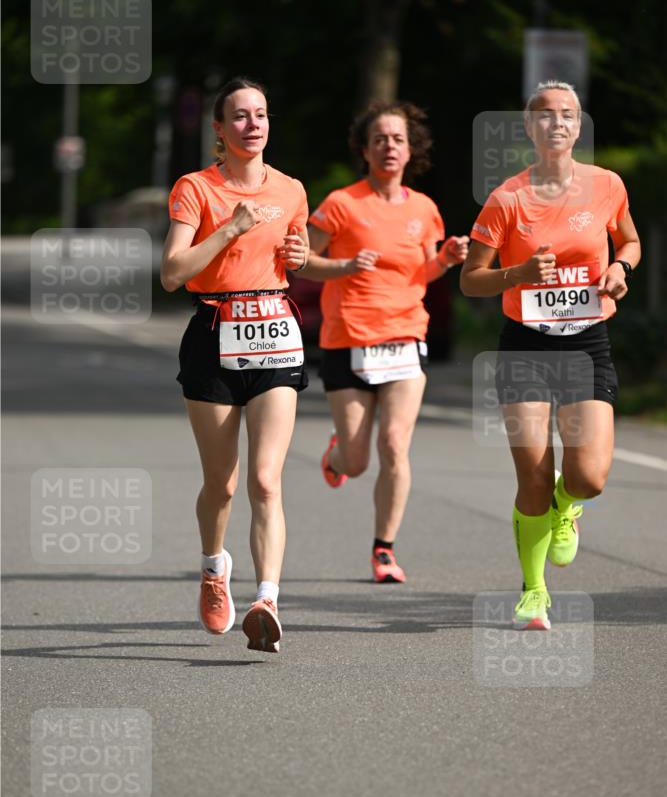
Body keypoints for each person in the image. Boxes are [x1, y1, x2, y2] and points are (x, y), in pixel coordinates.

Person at [461, 81, 641, 629]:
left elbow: (630, 241)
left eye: (567, 115)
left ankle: (570, 507)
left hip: (587, 343)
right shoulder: (507, 198)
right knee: (533, 477)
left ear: (579, 126)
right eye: (545, 115)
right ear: (529, 127)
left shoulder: (607, 185)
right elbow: (471, 281)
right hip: (526, 348)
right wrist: (517, 274)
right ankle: (534, 590)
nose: (557, 123)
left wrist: (620, 269)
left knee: (588, 477)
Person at [160, 76, 309, 653]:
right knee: (221, 485)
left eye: (262, 114)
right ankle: (213, 569)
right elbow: (174, 273)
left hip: (274, 334)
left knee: (266, 479)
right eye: (241, 116)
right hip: (214, 333)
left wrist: (303, 256)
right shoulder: (195, 188)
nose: (254, 124)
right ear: (219, 130)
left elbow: (296, 258)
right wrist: (230, 227)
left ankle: (267, 599)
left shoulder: (292, 189)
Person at [300, 100, 468, 583]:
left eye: (398, 139)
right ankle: (337, 454)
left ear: (411, 148)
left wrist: (448, 259)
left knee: (395, 444)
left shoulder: (424, 209)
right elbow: (302, 261)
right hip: (348, 338)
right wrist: (345, 267)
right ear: (364, 149)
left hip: (404, 338)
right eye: (380, 139)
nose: (389, 146)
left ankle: (384, 550)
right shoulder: (341, 204)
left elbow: (424, 268)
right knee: (357, 461)